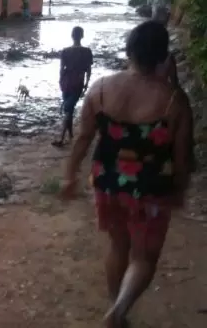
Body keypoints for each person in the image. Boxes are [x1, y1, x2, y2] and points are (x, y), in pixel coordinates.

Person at [61, 20, 193, 328]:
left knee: (118, 246)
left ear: (128, 50)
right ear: (163, 56)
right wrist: (180, 188)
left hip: (107, 184)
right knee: (144, 258)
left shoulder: (100, 89)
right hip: (151, 189)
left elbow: (84, 138)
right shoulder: (174, 101)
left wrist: (70, 174)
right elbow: (182, 156)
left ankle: (114, 306)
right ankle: (118, 312)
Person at [53, 26, 93, 147]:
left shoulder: (65, 51)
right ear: (82, 36)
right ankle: (68, 136)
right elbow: (88, 70)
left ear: (72, 36)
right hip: (78, 82)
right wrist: (86, 84)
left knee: (68, 109)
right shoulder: (87, 51)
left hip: (66, 81)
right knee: (69, 109)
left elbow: (61, 69)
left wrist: (60, 81)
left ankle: (63, 138)